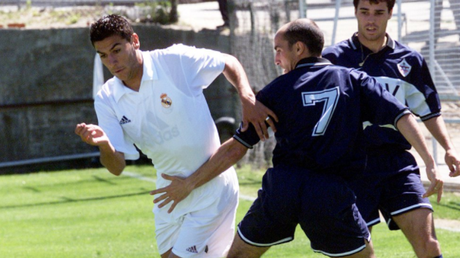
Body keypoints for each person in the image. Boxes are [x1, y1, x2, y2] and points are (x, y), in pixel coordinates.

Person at [150, 18, 441, 258]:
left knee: (236, 256)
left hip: (283, 190)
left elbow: (236, 149)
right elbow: (403, 116)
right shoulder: (354, 79)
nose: (276, 59)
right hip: (330, 192)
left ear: (298, 48)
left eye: (279, 50)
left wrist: (189, 183)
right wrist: (429, 162)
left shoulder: (275, 92)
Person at [74, 14, 278, 258]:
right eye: (103, 55)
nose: (112, 61)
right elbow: (116, 167)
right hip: (169, 194)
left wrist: (246, 97)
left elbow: (228, 62)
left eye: (116, 50)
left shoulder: (174, 60)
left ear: (135, 41)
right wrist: (105, 145)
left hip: (211, 186)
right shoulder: (107, 98)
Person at [322, 0, 460, 257]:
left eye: (378, 13)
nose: (370, 20)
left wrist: (449, 148)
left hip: (397, 165)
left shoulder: (410, 60)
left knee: (429, 245)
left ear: (390, 13)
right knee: (359, 253)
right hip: (350, 167)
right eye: (364, 12)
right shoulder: (332, 59)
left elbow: (430, 111)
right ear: (355, 13)